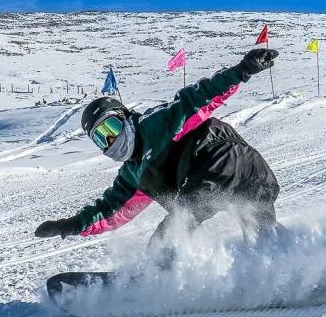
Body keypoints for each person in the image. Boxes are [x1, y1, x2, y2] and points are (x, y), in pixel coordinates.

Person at [35, 49, 284, 269]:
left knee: (175, 228)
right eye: (101, 137)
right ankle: (298, 265)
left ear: (123, 117)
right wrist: (72, 224)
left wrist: (243, 70)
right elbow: (110, 212)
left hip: (218, 158)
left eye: (111, 127)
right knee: (262, 235)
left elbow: (199, 98)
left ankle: (160, 278)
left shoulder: (153, 124)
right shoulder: (131, 175)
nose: (111, 140)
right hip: (254, 171)